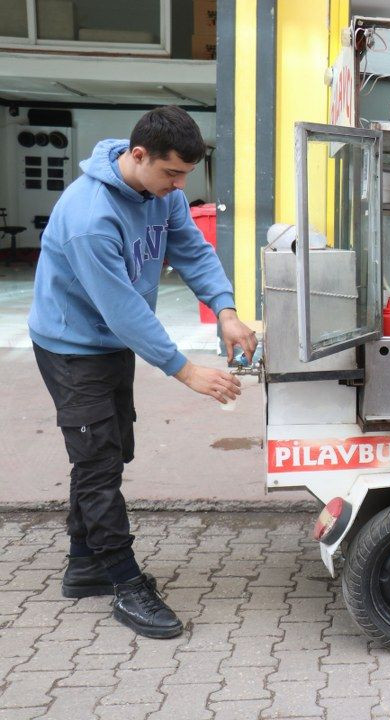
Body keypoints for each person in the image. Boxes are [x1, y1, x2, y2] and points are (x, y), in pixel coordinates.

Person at [28, 106, 257, 639]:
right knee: (98, 460)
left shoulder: (164, 194)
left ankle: (84, 566)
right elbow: (122, 307)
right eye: (171, 174)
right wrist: (183, 370)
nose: (179, 187)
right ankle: (125, 583)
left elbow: (192, 251)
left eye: (184, 176)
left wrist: (226, 311)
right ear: (138, 156)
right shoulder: (89, 218)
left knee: (109, 450)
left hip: (111, 343)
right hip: (70, 346)